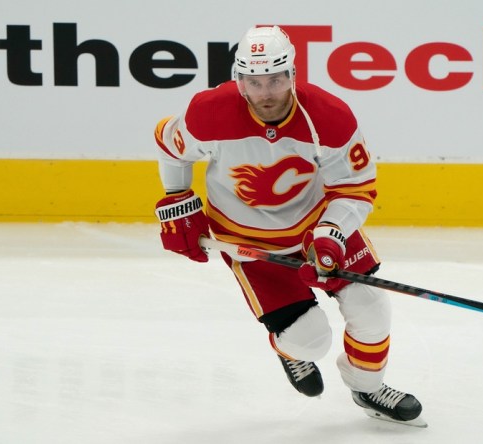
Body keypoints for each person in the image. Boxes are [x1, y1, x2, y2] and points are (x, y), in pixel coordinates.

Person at [153, 25, 423, 425]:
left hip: (317, 227)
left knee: (371, 310)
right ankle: (290, 350)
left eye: (276, 80)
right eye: (254, 81)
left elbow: (355, 188)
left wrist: (330, 235)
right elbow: (168, 146)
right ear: (239, 80)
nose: (265, 93)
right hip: (249, 245)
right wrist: (178, 200)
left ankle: (367, 388)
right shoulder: (208, 111)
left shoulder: (328, 117)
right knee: (310, 341)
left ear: (293, 75)